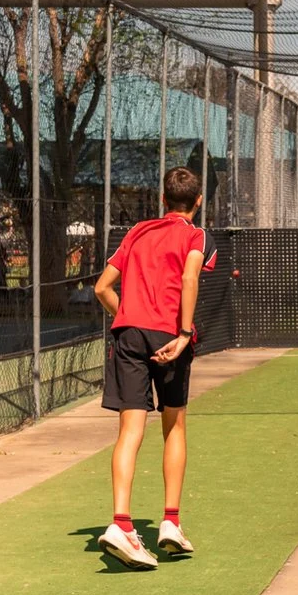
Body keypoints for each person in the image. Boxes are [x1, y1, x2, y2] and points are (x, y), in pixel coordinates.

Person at [91, 166, 209, 569]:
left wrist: (125, 317)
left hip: (128, 334)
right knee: (174, 424)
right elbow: (190, 278)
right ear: (197, 201)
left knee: (129, 431)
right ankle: (170, 523)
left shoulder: (138, 230)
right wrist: (183, 332)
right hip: (170, 336)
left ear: (162, 200)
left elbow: (102, 288)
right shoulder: (195, 234)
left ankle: (121, 523)